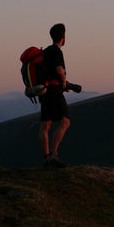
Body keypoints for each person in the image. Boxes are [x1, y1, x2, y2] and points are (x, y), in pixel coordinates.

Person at [39, 23, 72, 167]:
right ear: (63, 37)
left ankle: (46, 157)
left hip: (43, 91)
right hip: (54, 91)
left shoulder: (45, 51)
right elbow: (59, 70)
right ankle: (53, 154)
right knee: (65, 121)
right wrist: (64, 82)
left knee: (45, 125)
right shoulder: (57, 51)